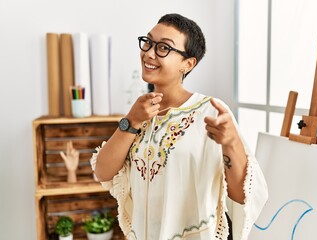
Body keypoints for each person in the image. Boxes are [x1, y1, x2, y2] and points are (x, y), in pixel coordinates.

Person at [90, 13, 268, 240]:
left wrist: (231, 144)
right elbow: (103, 171)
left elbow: (242, 197)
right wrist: (131, 121)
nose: (149, 53)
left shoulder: (210, 111)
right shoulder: (141, 111)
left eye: (163, 47)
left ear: (188, 63)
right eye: (148, 42)